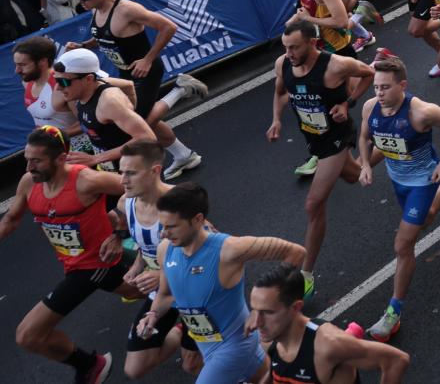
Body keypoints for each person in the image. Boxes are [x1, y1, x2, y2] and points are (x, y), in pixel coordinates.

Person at [0, 126, 135, 384]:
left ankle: (90, 366)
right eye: (27, 159)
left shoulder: (86, 180)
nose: (29, 167)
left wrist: (120, 233)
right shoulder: (30, 182)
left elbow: (138, 189)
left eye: (36, 161)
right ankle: (184, 294)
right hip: (78, 263)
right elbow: (10, 221)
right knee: (136, 289)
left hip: (93, 265)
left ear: (61, 159)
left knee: (28, 335)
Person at [137, 182, 303, 384]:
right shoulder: (166, 249)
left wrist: (262, 309)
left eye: (171, 226)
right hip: (207, 346)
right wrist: (152, 315)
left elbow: (295, 252)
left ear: (198, 219)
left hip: (236, 346)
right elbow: (165, 294)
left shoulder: (229, 249)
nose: (164, 233)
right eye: (162, 226)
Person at [356, 56, 440, 342]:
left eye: (386, 87)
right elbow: (365, 137)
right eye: (376, 87)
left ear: (402, 85)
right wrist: (366, 165)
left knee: (403, 245)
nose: (379, 93)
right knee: (426, 219)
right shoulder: (371, 107)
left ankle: (393, 313)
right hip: (397, 179)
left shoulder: (420, 113)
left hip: (422, 181)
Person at [267, 19, 374, 298]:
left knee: (314, 204)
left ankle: (306, 274)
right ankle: (387, 148)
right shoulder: (283, 64)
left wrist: (347, 103)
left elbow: (368, 73)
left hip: (337, 136)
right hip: (312, 135)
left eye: (295, 47)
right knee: (353, 175)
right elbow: (280, 91)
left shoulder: (336, 65)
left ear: (313, 43)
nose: (289, 53)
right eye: (286, 47)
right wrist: (276, 120)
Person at [66, 0, 206, 175]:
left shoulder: (127, 9)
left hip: (145, 72)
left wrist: (148, 59)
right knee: (140, 119)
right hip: (126, 72)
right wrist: (83, 45)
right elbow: (103, 37)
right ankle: (184, 155)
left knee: (137, 124)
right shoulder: (96, 11)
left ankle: (180, 90)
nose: (81, 1)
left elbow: (168, 27)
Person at [114, 139, 199, 381]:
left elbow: (209, 257)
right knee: (135, 368)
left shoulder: (181, 204)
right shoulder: (126, 203)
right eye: (121, 172)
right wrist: (136, 266)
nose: (122, 180)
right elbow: (145, 245)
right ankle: (181, 329)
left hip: (195, 289)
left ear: (155, 171)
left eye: (131, 173)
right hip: (162, 292)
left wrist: (161, 275)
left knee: (191, 364)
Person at [252, 264, 412, 383]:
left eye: (267, 312)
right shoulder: (269, 338)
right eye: (255, 310)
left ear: (295, 308)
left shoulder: (328, 345)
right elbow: (279, 371)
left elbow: (396, 361)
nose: (257, 322)